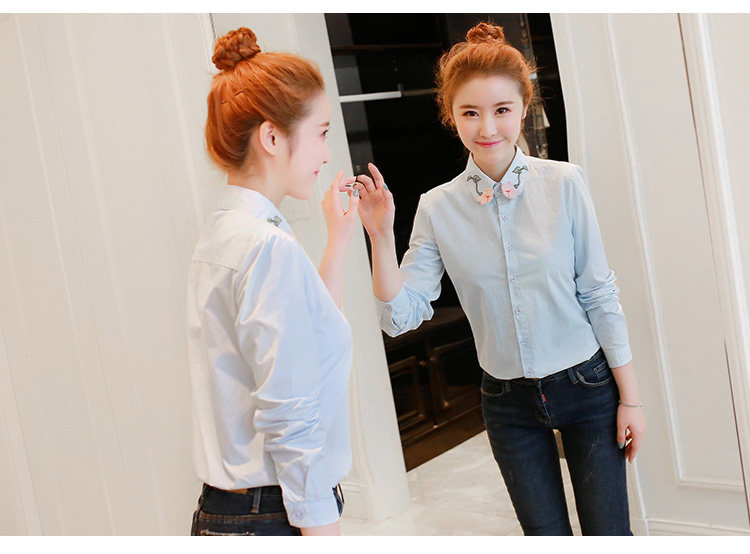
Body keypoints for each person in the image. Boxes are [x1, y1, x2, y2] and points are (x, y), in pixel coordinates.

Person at [354, 21, 646, 536]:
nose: (487, 127)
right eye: (470, 112)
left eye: (502, 110)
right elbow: (399, 317)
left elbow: (599, 292)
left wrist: (631, 399)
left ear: (524, 108)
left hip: (586, 385)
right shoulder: (437, 207)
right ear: (451, 116)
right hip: (507, 402)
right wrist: (379, 235)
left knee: (609, 535)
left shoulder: (564, 183)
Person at [186, 27, 359, 536]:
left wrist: (338, 240)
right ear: (272, 137)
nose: (325, 153)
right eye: (321, 133)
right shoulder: (266, 247)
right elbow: (291, 413)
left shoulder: (226, 233)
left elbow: (303, 340)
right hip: (271, 513)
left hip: (235, 509)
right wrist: (322, 532)